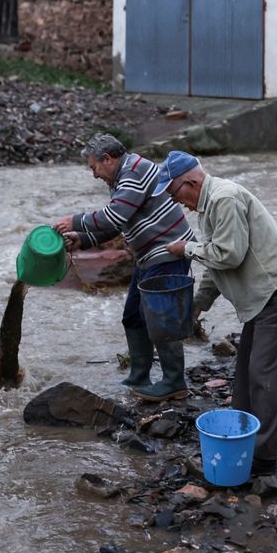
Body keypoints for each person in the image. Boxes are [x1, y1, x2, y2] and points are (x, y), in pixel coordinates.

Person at [156, 151, 277, 478]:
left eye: (174, 194)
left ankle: (263, 461)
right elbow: (216, 263)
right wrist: (199, 304)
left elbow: (229, 255)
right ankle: (240, 441)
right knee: (245, 377)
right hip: (261, 296)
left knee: (264, 376)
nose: (177, 203)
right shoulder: (208, 208)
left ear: (191, 183)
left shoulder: (224, 199)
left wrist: (186, 249)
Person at [52, 135, 196, 402]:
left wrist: (74, 220)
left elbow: (115, 214)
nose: (94, 175)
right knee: (133, 315)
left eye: (94, 167)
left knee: (162, 320)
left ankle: (174, 382)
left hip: (168, 253)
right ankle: (139, 375)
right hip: (148, 256)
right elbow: (119, 224)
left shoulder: (135, 170)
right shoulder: (121, 177)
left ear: (108, 159)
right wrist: (82, 239)